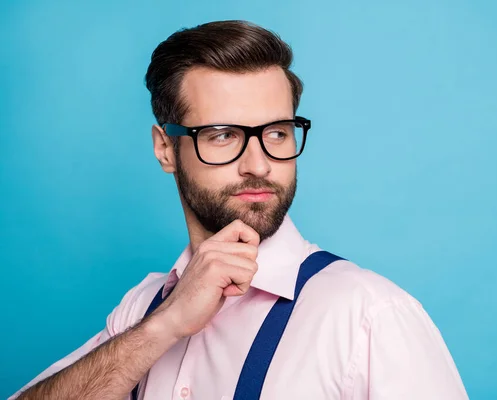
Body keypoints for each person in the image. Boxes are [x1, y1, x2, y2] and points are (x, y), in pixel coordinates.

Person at [11, 20, 469, 400]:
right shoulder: (143, 308)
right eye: (223, 135)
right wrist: (163, 327)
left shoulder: (369, 316)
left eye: (277, 132)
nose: (259, 165)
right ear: (165, 149)